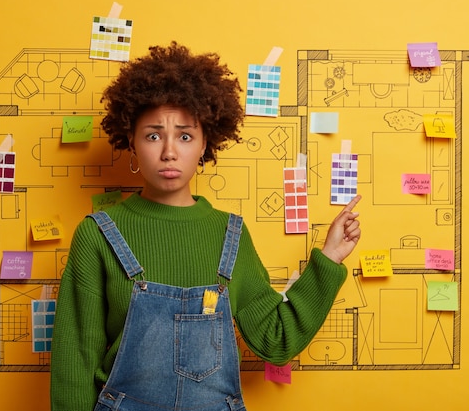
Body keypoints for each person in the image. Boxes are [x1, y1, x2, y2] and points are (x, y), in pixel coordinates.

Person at [50, 42, 361, 411]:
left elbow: (276, 341)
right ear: (130, 142)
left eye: (185, 136)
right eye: (153, 135)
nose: (169, 151)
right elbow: (75, 359)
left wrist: (329, 258)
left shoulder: (230, 234)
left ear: (204, 145)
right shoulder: (98, 233)